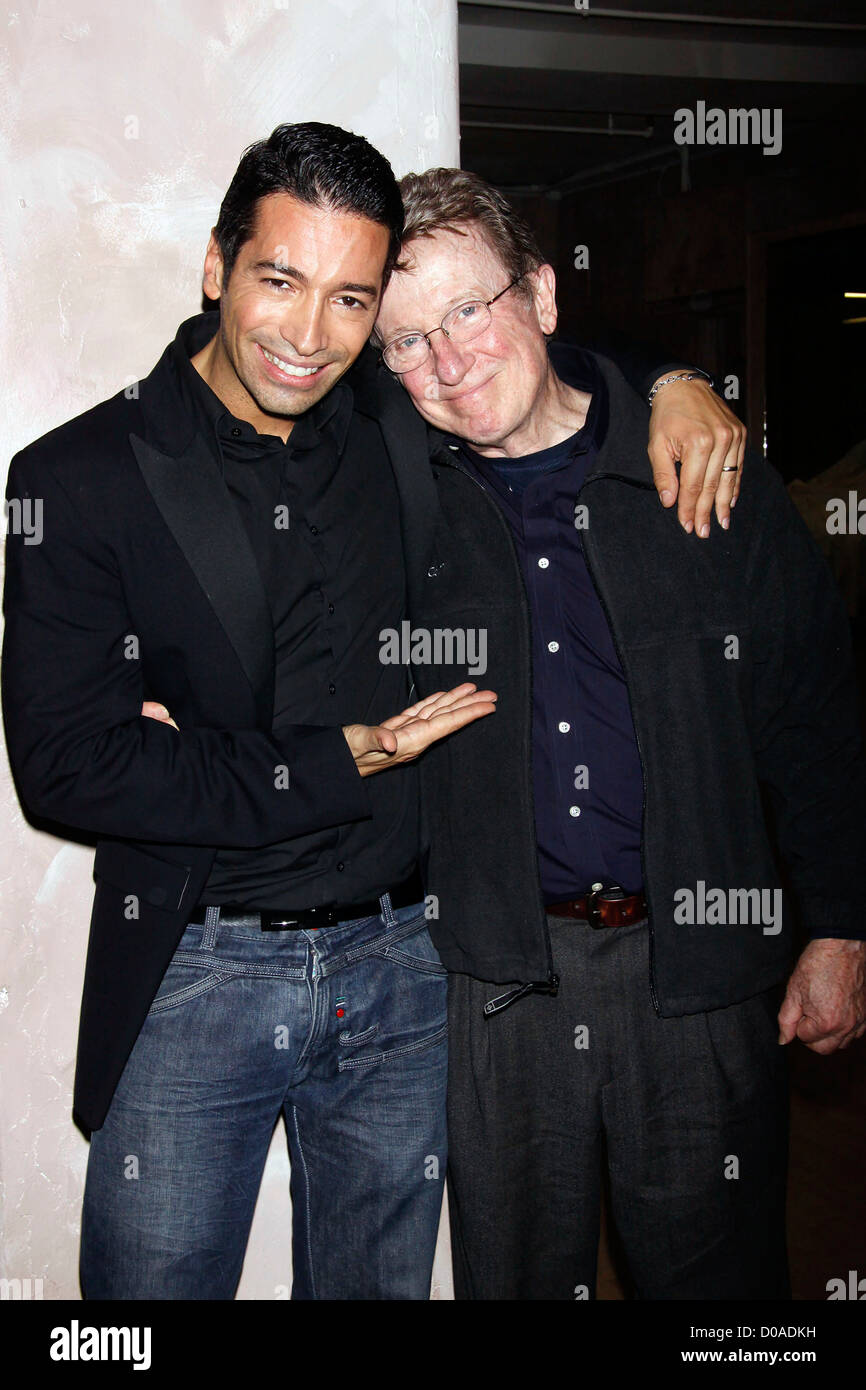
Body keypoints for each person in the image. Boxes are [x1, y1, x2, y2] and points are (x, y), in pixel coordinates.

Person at [3, 123, 741, 1301]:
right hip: (199, 969)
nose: (309, 337)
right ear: (215, 266)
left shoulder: (399, 422)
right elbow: (67, 769)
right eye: (279, 281)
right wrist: (328, 764)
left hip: (403, 967)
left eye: (351, 299)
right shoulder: (78, 479)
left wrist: (672, 382)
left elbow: (526, 369)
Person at [372, 167, 866, 1300]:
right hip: (498, 988)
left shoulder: (701, 472)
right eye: (405, 340)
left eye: (468, 309)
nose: (446, 360)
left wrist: (840, 925)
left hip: (691, 973)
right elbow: (250, 358)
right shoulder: (398, 507)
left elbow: (811, 711)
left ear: (540, 297)